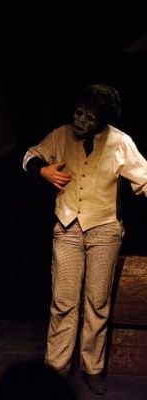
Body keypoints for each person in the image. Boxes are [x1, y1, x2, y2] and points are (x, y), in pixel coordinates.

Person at [22, 84, 147, 395]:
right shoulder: (61, 135)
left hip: (104, 229)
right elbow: (30, 155)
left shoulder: (120, 142)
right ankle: (56, 368)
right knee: (63, 301)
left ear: (103, 120)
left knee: (97, 302)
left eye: (89, 118)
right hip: (67, 228)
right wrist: (43, 171)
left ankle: (93, 368)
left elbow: (144, 178)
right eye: (79, 113)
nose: (80, 121)